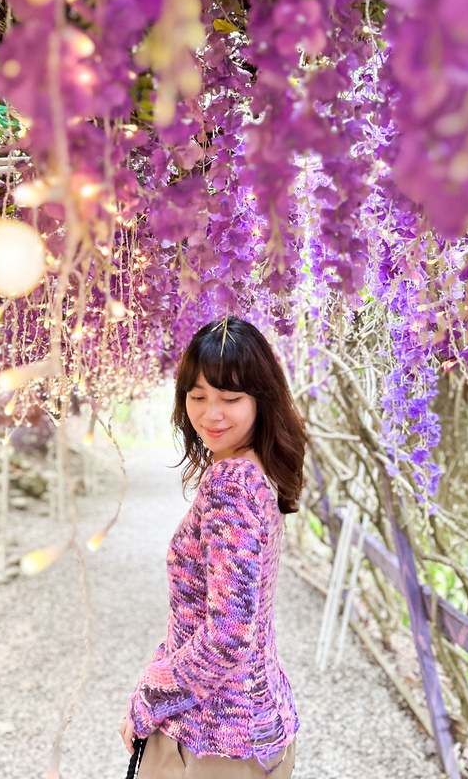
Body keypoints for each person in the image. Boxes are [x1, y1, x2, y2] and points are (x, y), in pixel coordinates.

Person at [120, 316, 306, 778]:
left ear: (261, 400)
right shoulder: (258, 470)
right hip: (257, 724)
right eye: (198, 396)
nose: (210, 414)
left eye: (230, 397)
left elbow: (227, 636)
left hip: (214, 742)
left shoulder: (232, 483)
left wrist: (149, 696)